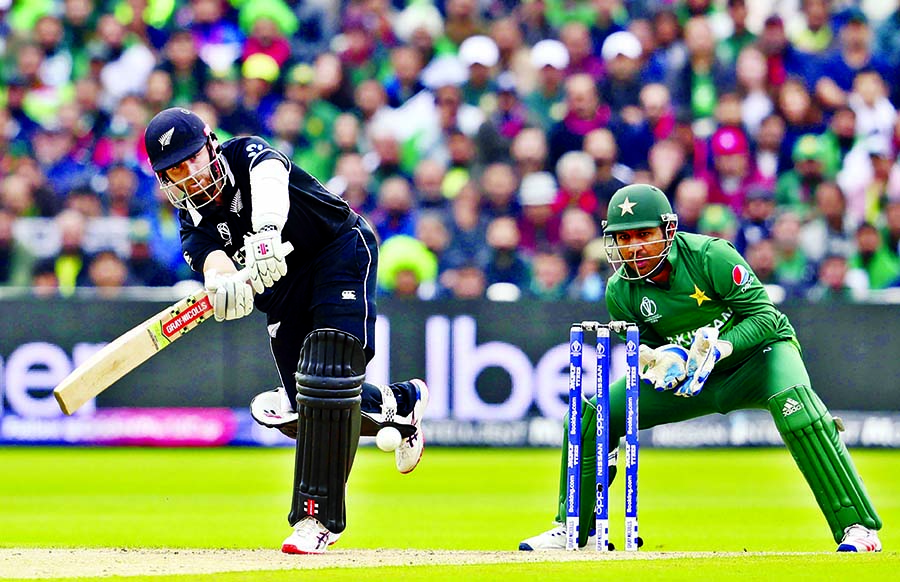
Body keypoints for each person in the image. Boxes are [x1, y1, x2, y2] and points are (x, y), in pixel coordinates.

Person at [519, 184, 882, 553]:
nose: (634, 247)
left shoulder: (712, 256)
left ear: (669, 230)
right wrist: (658, 359)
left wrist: (722, 347)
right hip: (693, 378)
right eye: (623, 237)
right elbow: (647, 344)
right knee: (589, 413)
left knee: (798, 410)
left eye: (644, 235)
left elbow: (767, 318)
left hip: (758, 360)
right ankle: (575, 527)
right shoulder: (620, 289)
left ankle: (858, 527)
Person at [143, 107, 429, 554]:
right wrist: (221, 287)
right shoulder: (191, 222)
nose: (187, 175)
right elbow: (212, 263)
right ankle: (399, 403)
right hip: (282, 295)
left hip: (336, 252)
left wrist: (267, 232)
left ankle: (316, 519)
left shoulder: (246, 155)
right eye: (173, 170)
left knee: (328, 369)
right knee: (304, 411)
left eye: (191, 159)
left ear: (211, 144)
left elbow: (272, 175)